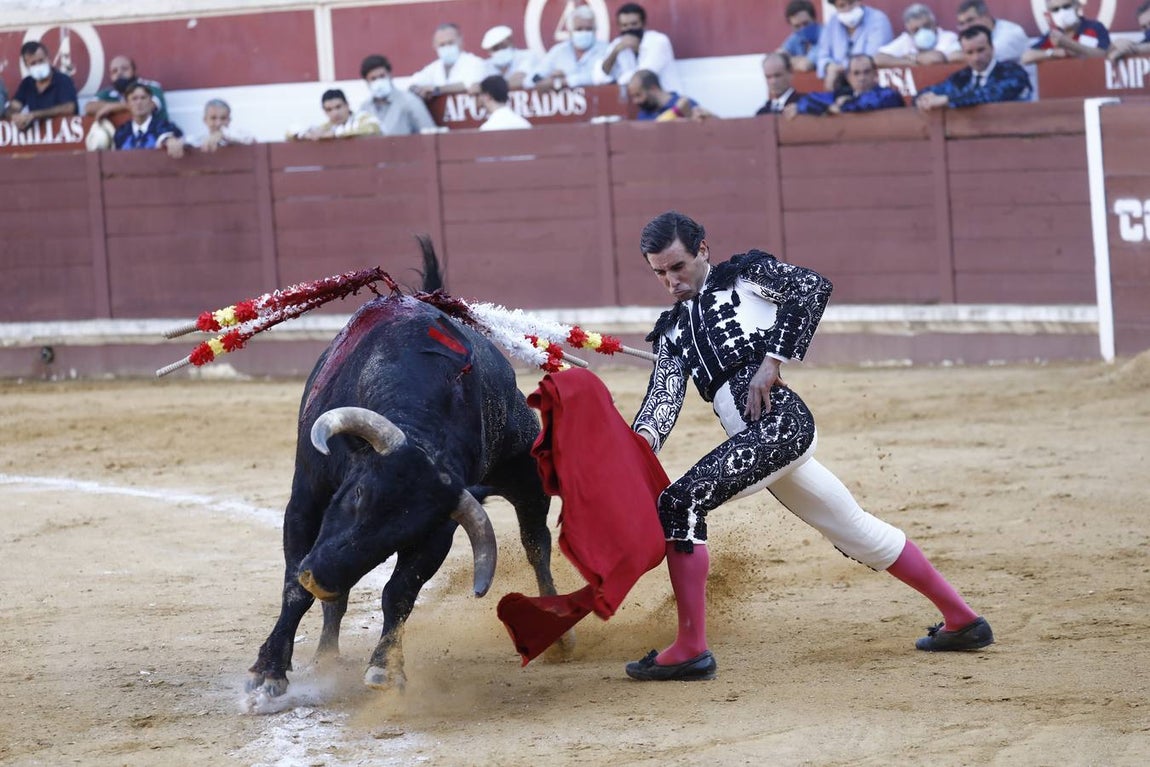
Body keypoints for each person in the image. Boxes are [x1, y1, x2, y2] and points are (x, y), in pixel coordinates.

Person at [623, 210, 994, 682]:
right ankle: (963, 621)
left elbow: (811, 286)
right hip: (755, 442)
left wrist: (771, 362)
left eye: (678, 267)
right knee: (855, 529)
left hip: (781, 424)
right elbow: (661, 405)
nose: (671, 281)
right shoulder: (673, 332)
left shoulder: (745, 277)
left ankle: (690, 648)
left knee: (680, 502)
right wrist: (633, 451)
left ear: (703, 250)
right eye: (660, 273)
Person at [915, 25, 1031, 111]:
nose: (976, 58)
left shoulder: (1013, 72)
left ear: (992, 48)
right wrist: (924, 99)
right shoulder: (961, 77)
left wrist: (948, 100)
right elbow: (930, 91)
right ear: (963, 54)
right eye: (970, 52)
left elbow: (990, 94)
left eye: (981, 50)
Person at [601, 3, 684, 93]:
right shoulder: (618, 44)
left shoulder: (658, 41)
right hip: (637, 99)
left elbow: (644, 75)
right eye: (624, 25)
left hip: (668, 96)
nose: (629, 29)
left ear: (644, 24)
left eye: (634, 24)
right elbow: (603, 74)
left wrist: (637, 48)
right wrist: (615, 52)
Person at [785, 54, 903, 117]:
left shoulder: (888, 94)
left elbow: (868, 103)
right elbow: (810, 99)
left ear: (875, 74)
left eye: (866, 72)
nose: (862, 78)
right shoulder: (841, 95)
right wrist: (800, 107)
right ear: (848, 77)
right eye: (856, 73)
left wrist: (843, 106)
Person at [813, 0, 893, 91]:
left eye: (851, 3)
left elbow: (871, 58)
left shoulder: (878, 19)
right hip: (840, 83)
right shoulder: (832, 22)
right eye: (842, 6)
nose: (848, 8)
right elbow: (822, 55)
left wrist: (841, 68)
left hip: (869, 86)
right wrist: (828, 66)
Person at [531, 5, 613, 90]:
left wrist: (564, 82)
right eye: (579, 29)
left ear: (595, 30)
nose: (584, 32)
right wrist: (549, 79)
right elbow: (533, 79)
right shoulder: (559, 51)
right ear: (570, 31)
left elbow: (601, 76)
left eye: (588, 29)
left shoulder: (607, 50)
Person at [5, 41, 78, 131]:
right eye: (33, 63)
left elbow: (69, 108)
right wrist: (15, 117)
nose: (38, 65)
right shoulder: (27, 83)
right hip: (37, 137)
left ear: (48, 59)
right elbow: (14, 107)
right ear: (26, 66)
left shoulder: (63, 80)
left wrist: (34, 115)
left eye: (41, 60)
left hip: (64, 135)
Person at [356, 54, 436, 136]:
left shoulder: (410, 101)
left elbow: (429, 133)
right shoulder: (365, 108)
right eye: (373, 79)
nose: (378, 82)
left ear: (390, 75)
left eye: (382, 76)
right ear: (367, 82)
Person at [409, 23, 487, 101]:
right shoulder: (434, 67)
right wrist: (419, 91)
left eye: (450, 43)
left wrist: (437, 89)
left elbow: (469, 85)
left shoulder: (475, 63)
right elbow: (412, 82)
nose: (446, 47)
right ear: (434, 46)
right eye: (442, 45)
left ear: (461, 41)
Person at [1021, 0, 1110, 64]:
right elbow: (1026, 58)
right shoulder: (1053, 35)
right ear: (1049, 13)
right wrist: (1054, 53)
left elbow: (1104, 54)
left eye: (1066, 6)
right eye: (1055, 9)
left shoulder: (1095, 27)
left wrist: (1068, 44)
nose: (1062, 12)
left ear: (1077, 6)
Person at [84, 54, 168, 122]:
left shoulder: (151, 86)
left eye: (124, 69)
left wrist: (110, 108)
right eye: (114, 71)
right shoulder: (109, 92)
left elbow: (148, 106)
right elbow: (89, 107)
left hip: (157, 134)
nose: (119, 73)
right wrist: (120, 107)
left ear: (134, 71)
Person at [875, 3, 961, 68]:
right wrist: (909, 63)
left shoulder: (948, 37)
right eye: (916, 30)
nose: (922, 32)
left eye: (926, 26)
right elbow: (878, 59)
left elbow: (935, 60)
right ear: (909, 32)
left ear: (934, 24)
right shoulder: (906, 39)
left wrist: (912, 57)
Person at [113, 81, 185, 158]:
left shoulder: (165, 125)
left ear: (151, 102)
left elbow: (168, 134)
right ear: (128, 104)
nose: (139, 102)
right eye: (134, 99)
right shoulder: (121, 132)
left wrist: (170, 140)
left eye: (143, 98)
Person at [954, 0, 1031, 63]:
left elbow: (984, 58)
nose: (966, 27)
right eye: (962, 23)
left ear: (986, 16)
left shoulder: (1011, 33)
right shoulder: (972, 37)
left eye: (970, 20)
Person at [290, 89, 381, 141]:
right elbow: (290, 132)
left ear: (347, 105)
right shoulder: (326, 127)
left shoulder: (362, 118)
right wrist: (306, 135)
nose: (335, 113)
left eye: (338, 107)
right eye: (329, 109)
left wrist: (334, 134)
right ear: (324, 111)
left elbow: (372, 128)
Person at [627, 69, 711, 121]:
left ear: (653, 89)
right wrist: (676, 111)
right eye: (633, 96)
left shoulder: (687, 104)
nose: (635, 101)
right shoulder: (643, 114)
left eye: (638, 95)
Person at [479, 25, 538, 90]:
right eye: (495, 48)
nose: (500, 50)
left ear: (510, 41)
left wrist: (494, 87)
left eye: (503, 46)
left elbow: (520, 78)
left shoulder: (527, 56)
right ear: (489, 51)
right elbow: (480, 87)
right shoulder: (487, 65)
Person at [189, 99, 255, 152]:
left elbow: (251, 140)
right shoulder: (198, 139)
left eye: (223, 118)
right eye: (213, 118)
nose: (218, 123)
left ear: (229, 120)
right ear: (205, 120)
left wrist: (223, 136)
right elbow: (188, 142)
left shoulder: (239, 136)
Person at [777, 1, 823, 72]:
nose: (802, 29)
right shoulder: (795, 37)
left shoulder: (825, 35)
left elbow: (806, 65)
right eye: (797, 26)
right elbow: (778, 59)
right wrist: (798, 61)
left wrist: (790, 61)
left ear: (814, 19)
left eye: (806, 23)